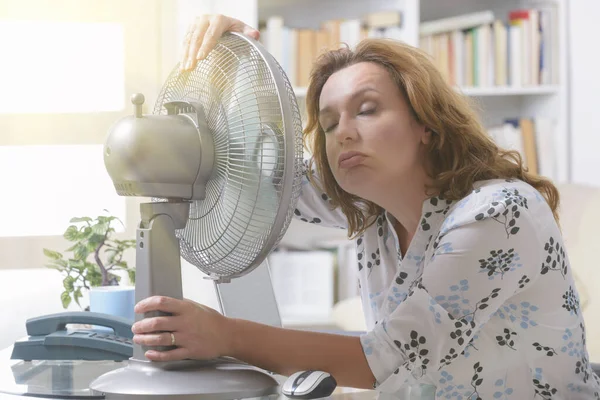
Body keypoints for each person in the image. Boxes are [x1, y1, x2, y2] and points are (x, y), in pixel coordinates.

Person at [131, 14, 600, 399]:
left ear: (427, 125)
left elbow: (384, 358)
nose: (344, 134)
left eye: (368, 109)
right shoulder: (368, 208)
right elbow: (251, 170)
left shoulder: (497, 212)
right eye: (329, 122)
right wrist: (226, 65)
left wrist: (225, 335)